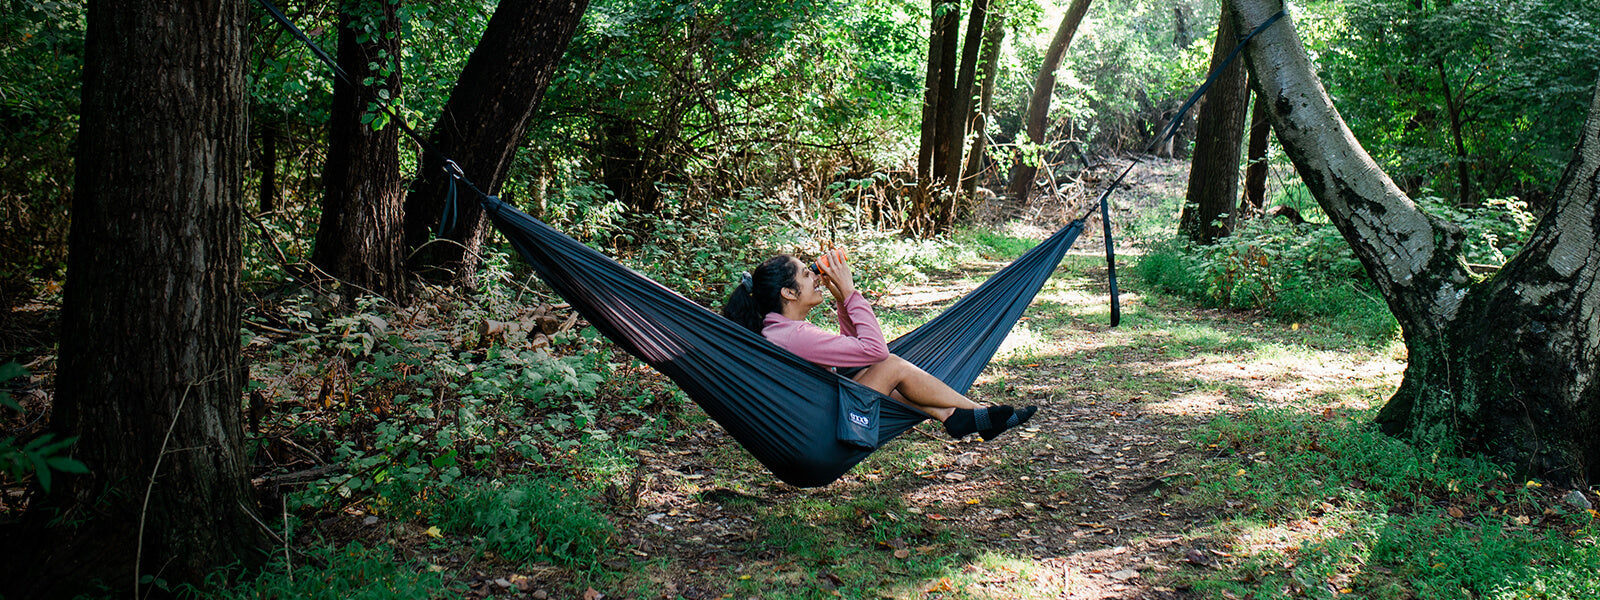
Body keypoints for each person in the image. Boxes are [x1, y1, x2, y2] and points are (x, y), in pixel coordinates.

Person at [724, 249, 1036, 441]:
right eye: (807, 275)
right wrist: (849, 292)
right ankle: (982, 414)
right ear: (788, 293)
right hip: (823, 424)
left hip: (821, 408)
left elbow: (855, 352)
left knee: (889, 377)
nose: (815, 278)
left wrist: (843, 303)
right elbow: (875, 351)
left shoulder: (783, 330)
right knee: (890, 365)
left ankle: (955, 417)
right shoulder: (795, 335)